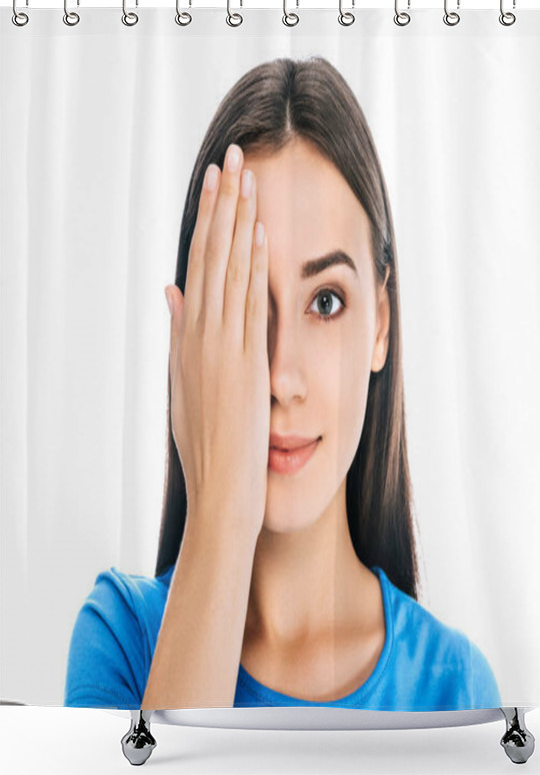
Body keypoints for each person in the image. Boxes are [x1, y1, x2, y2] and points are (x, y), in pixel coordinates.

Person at [64, 56, 501, 711]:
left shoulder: (456, 687)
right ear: (195, 339)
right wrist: (221, 517)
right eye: (245, 307)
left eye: (325, 301)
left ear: (380, 324)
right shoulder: (121, 638)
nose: (281, 378)